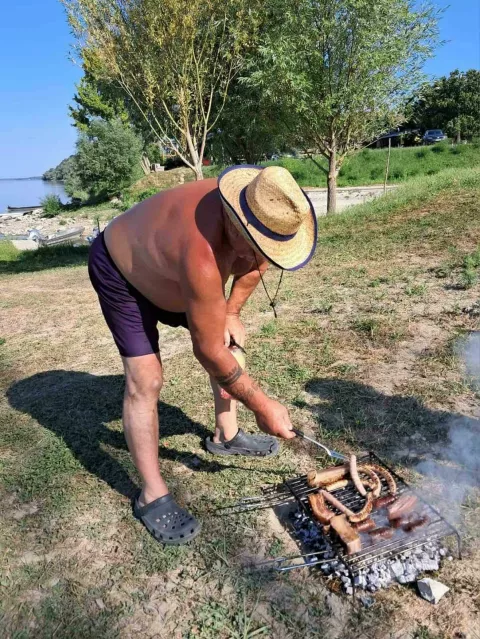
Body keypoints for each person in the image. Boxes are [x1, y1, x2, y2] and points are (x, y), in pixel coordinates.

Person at [88, 165, 317, 545]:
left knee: (230, 340)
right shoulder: (201, 254)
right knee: (146, 379)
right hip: (123, 269)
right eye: (254, 245)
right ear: (234, 221)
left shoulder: (263, 213)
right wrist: (262, 404)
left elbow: (257, 264)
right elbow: (207, 351)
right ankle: (151, 493)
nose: (260, 255)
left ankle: (226, 435)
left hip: (175, 275)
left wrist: (230, 313)